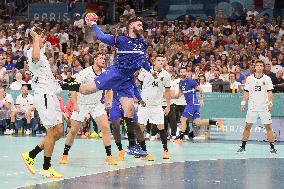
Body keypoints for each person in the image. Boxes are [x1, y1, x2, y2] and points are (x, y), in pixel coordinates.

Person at [79, 13, 152, 156]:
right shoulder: (121, 40)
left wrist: (151, 70)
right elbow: (101, 37)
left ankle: (132, 146)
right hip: (115, 73)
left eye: (141, 25)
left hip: (126, 80)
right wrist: (93, 24)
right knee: (86, 90)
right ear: (131, 26)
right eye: (138, 25)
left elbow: (143, 60)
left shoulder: (142, 42)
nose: (141, 27)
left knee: (130, 110)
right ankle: (66, 85)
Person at [59, 52, 117, 165]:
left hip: (96, 104)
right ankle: (64, 154)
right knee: (73, 131)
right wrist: (75, 104)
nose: (104, 60)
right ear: (95, 60)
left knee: (105, 127)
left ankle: (109, 156)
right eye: (101, 58)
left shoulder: (106, 74)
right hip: (82, 104)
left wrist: (109, 101)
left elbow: (109, 89)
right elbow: (73, 87)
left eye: (104, 58)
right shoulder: (84, 73)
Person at [21, 26, 64, 178]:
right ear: (35, 37)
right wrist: (33, 36)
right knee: (52, 131)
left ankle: (31, 155)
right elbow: (36, 56)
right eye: (42, 36)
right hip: (43, 96)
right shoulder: (32, 51)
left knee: (59, 132)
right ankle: (46, 167)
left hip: (51, 95)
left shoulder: (42, 54)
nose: (45, 39)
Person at [173, 68, 224, 144]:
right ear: (179, 73)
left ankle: (180, 139)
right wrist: (173, 96)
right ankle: (217, 122)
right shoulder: (180, 82)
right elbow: (180, 93)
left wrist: (201, 99)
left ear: (186, 72)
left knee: (183, 119)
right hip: (192, 104)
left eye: (184, 71)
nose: (183, 73)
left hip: (192, 103)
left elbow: (201, 90)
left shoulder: (190, 81)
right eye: (181, 72)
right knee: (197, 122)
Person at [237, 60, 277, 154]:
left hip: (264, 107)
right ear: (255, 67)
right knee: (247, 127)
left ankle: (272, 147)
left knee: (268, 128)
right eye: (257, 65)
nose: (259, 67)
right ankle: (243, 147)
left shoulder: (267, 79)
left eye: (260, 65)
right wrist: (243, 103)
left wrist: (270, 102)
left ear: (263, 67)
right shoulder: (250, 79)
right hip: (252, 108)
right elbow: (246, 92)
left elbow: (270, 92)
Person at [137, 55, 171, 160]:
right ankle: (142, 150)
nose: (161, 62)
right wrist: (137, 98)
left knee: (161, 127)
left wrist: (168, 106)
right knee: (141, 128)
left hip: (157, 106)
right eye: (159, 60)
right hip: (145, 105)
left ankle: (165, 151)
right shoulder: (145, 71)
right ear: (154, 62)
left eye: (163, 60)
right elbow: (136, 83)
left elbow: (167, 91)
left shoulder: (166, 75)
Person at [110, 79, 148, 161]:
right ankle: (120, 150)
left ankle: (143, 150)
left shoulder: (130, 75)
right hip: (115, 103)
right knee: (115, 126)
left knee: (136, 126)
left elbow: (135, 88)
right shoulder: (113, 74)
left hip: (127, 101)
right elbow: (107, 88)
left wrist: (140, 99)